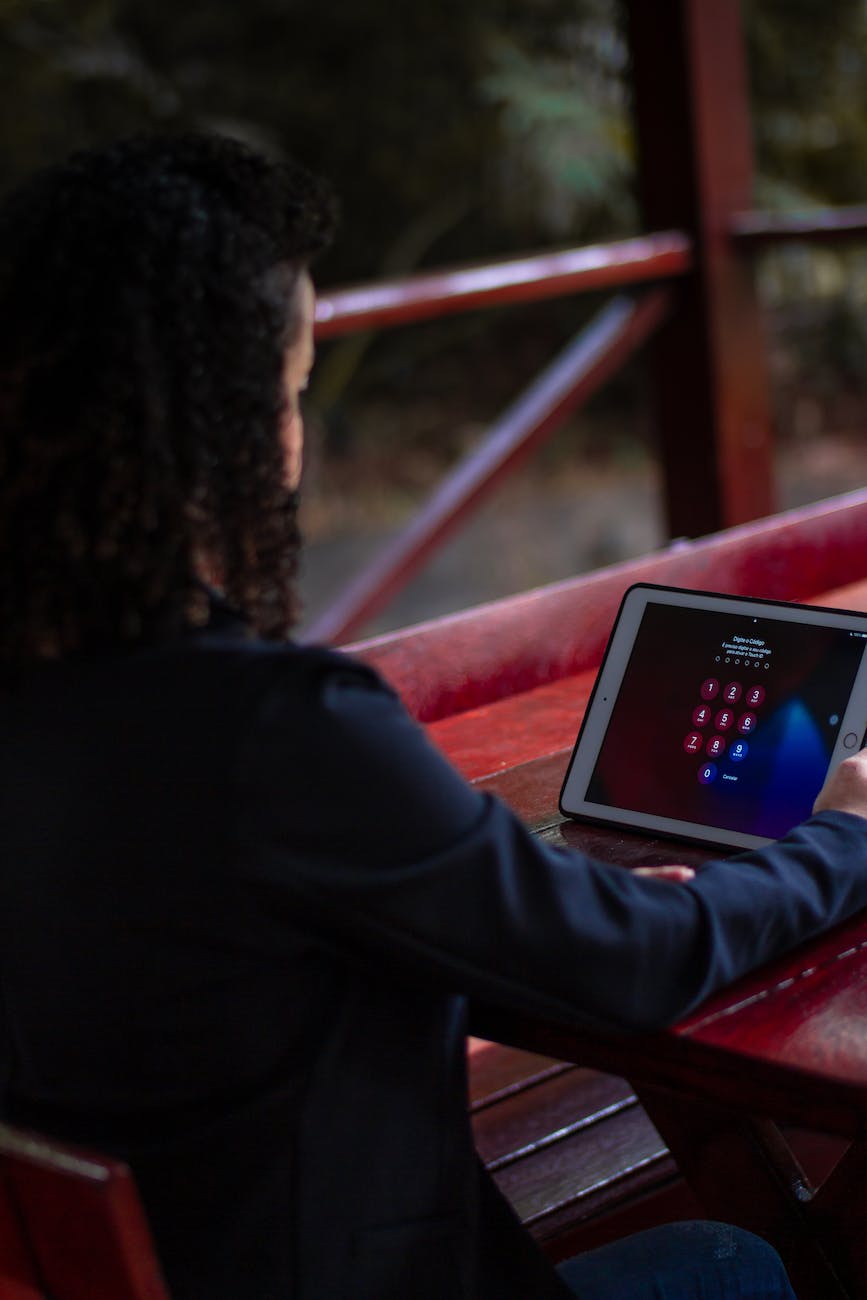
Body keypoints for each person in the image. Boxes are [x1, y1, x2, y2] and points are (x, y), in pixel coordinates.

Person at [1, 133, 866, 1300]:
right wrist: (848, 831)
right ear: (214, 429)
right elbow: (635, 968)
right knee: (732, 1262)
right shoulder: (271, 730)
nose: (297, 440)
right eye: (289, 391)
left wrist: (504, 885)